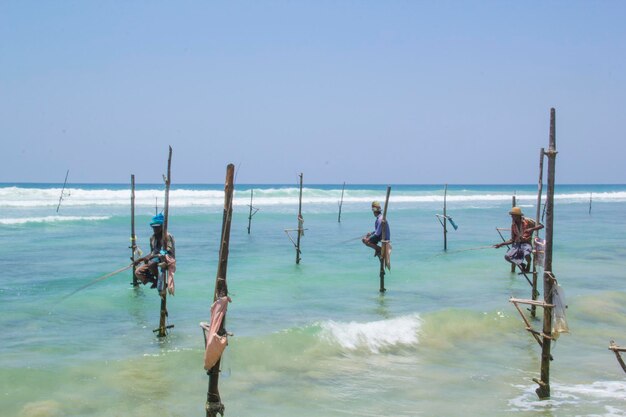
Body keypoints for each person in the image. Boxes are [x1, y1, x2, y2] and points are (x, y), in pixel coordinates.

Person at [494, 206, 543, 272]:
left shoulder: (528, 221)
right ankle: (521, 264)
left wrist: (531, 229)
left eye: (513, 216)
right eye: (512, 216)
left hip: (526, 243)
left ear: (518, 216)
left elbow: (541, 226)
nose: (512, 217)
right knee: (507, 257)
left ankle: (528, 264)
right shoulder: (513, 225)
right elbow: (512, 240)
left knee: (526, 254)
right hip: (517, 244)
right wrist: (500, 244)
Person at [134, 213, 176, 289]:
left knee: (151, 263)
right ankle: (155, 281)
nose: (155, 229)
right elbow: (153, 252)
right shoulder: (152, 238)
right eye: (153, 227)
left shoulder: (167, 236)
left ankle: (158, 280)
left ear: (162, 226)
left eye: (157, 227)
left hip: (166, 258)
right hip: (155, 258)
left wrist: (151, 257)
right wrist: (141, 259)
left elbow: (167, 251)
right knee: (138, 272)